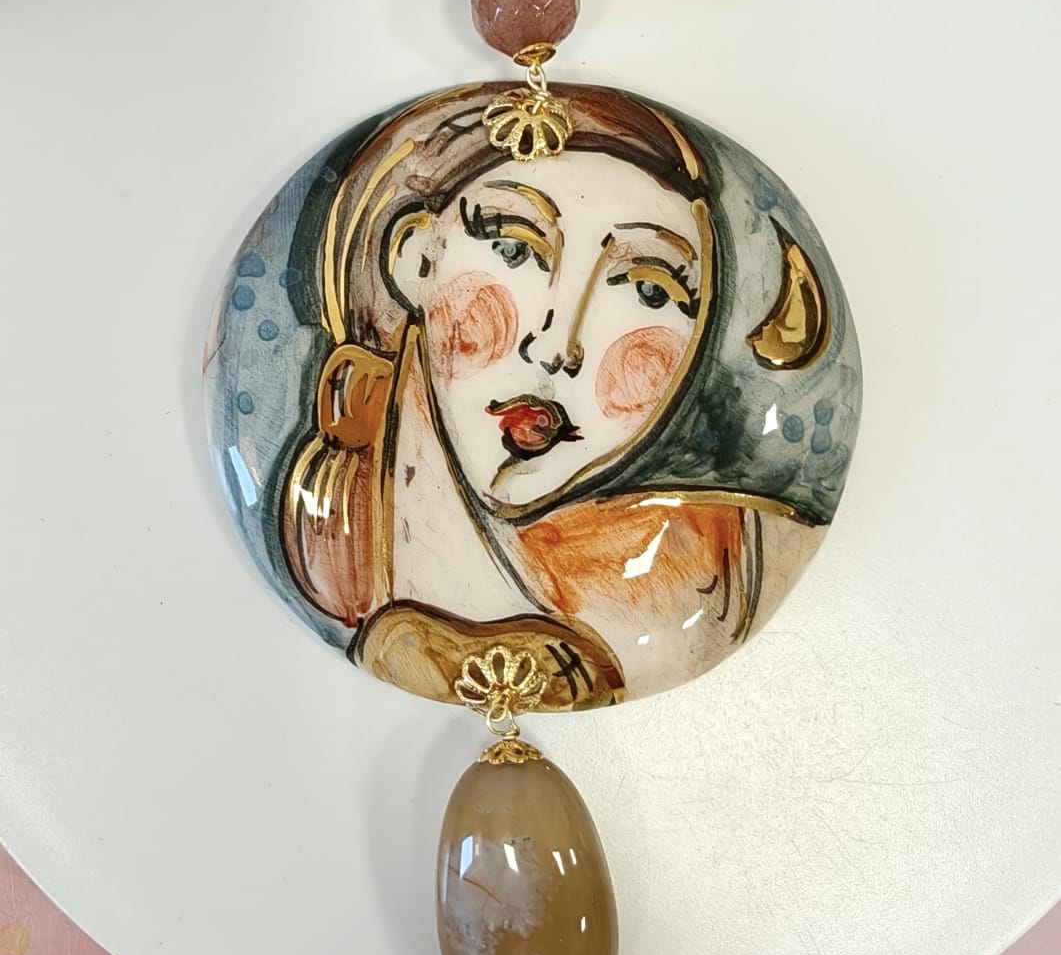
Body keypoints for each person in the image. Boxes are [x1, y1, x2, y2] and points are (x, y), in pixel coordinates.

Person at [278, 84, 853, 708]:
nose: (557, 347)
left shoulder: (721, 572)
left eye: (649, 290)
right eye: (514, 247)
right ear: (416, 260)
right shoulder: (332, 537)